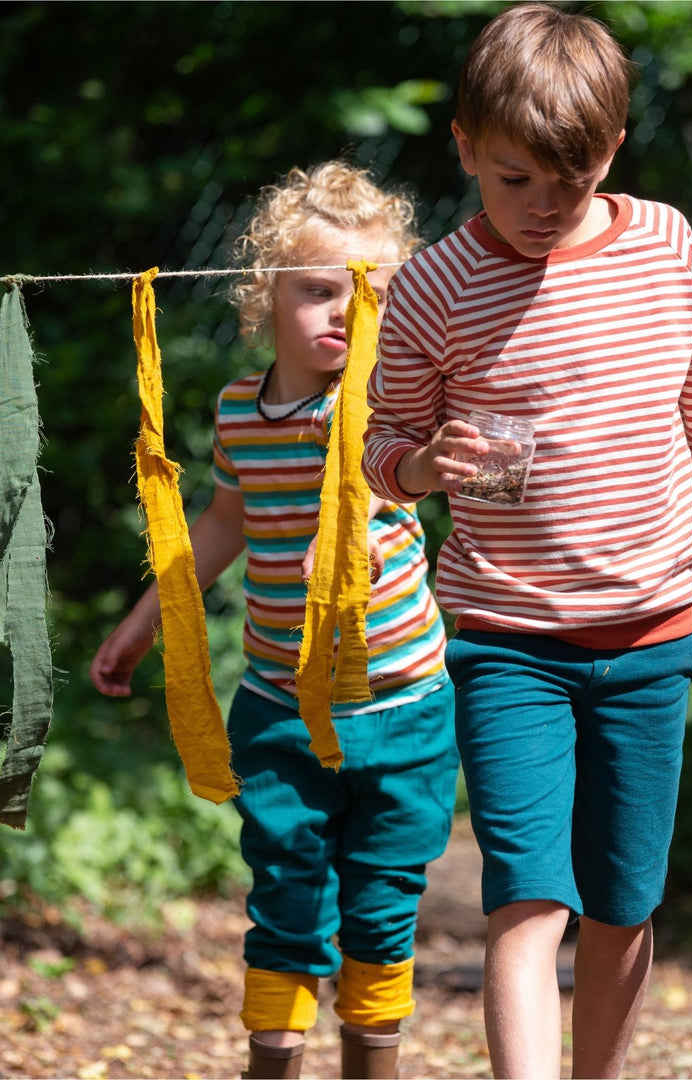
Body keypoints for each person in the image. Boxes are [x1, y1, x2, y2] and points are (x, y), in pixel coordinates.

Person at [359, 5, 692, 1078]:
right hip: (505, 642)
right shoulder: (432, 288)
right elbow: (380, 447)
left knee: (623, 903)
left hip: (652, 639)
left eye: (565, 185)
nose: (538, 206)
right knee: (530, 899)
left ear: (612, 150)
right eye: (513, 178)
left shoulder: (667, 248)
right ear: (466, 147)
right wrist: (425, 467)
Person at [90, 161, 459, 1080]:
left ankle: (373, 1062)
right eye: (321, 290)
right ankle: (274, 1064)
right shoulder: (239, 414)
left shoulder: (392, 407)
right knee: (288, 901)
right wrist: (147, 621)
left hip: (403, 707)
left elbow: (422, 479)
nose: (345, 311)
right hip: (281, 712)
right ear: (266, 298)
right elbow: (220, 524)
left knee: (383, 907)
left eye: (371, 291)